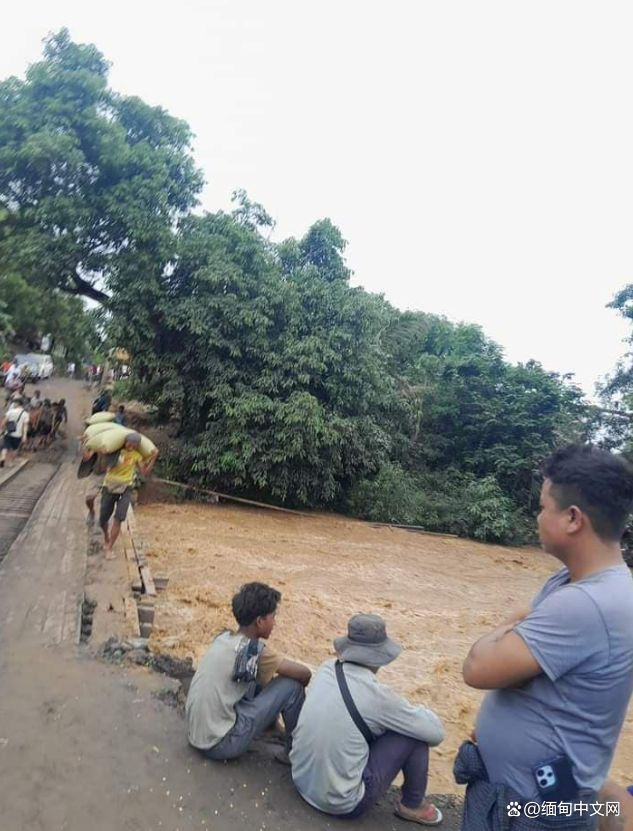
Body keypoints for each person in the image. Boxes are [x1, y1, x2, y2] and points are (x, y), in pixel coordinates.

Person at [458, 444, 633, 827]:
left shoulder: (587, 604)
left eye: (542, 507)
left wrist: (502, 633)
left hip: (533, 811)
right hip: (534, 792)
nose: (536, 517)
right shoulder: (571, 582)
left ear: (572, 518)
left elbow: (477, 668)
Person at [290, 613, 445, 824]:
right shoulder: (378, 696)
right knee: (414, 737)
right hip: (341, 803)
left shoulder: (327, 667)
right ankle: (412, 804)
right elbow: (435, 733)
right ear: (380, 656)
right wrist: (418, 710)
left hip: (300, 779)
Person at [186, 581, 311, 764]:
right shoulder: (253, 651)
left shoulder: (224, 638)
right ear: (260, 621)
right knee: (292, 686)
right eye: (273, 617)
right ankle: (293, 754)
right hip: (222, 744)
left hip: (196, 735)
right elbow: (305, 675)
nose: (275, 623)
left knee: (261, 675)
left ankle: (267, 725)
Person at [99, 433, 158, 558]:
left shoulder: (136, 456)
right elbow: (103, 466)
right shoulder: (115, 451)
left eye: (134, 445)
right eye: (129, 443)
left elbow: (144, 472)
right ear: (125, 442)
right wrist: (102, 454)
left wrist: (153, 458)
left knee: (119, 518)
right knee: (103, 519)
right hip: (109, 487)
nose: (131, 446)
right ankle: (106, 536)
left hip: (125, 489)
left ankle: (109, 547)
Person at [0, 395, 29, 468]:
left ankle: (2, 458)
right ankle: (11, 462)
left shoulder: (11, 411)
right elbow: (25, 426)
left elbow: (4, 421)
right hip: (17, 435)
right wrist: (24, 436)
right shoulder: (25, 414)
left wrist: (1, 429)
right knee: (15, 449)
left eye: (15, 403)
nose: (13, 404)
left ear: (18, 404)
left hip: (8, 432)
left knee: (5, 447)